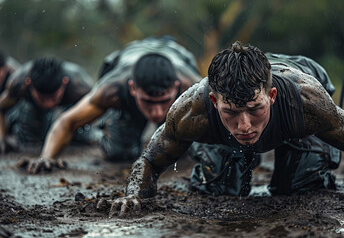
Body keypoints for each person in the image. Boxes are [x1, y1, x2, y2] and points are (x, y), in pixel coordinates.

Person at [107, 41, 344, 217]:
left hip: (296, 108)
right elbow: (149, 160)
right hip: (225, 134)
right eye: (230, 112)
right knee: (218, 188)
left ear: (271, 96)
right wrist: (134, 194)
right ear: (213, 101)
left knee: (300, 186)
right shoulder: (191, 110)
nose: (244, 126)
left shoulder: (307, 102)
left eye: (254, 109)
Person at [21, 36, 202, 174]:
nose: (156, 112)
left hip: (175, 53)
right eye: (148, 102)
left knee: (192, 147)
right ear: (132, 88)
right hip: (129, 56)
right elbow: (67, 122)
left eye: (163, 102)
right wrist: (46, 157)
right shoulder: (112, 89)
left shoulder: (192, 86)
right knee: (119, 153)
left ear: (177, 87)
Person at [0, 57, 94, 154]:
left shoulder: (80, 87)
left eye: (53, 98)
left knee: (85, 135)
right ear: (29, 83)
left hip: (69, 110)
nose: (48, 104)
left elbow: (99, 109)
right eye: (42, 99)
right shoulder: (19, 82)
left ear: (64, 83)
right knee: (28, 139)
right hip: (29, 110)